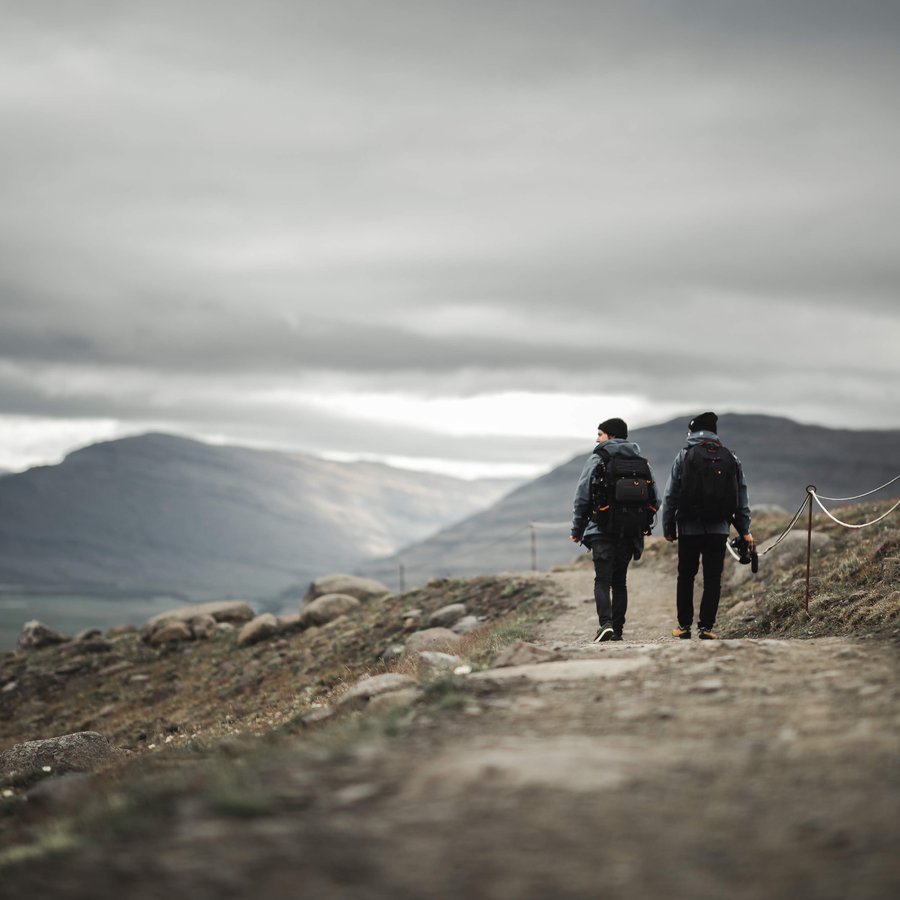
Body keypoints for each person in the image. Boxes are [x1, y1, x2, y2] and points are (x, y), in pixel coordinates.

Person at [662, 411, 754, 640]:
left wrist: (668, 527)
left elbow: (671, 494)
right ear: (714, 433)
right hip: (718, 528)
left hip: (689, 527)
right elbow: (741, 497)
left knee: (686, 576)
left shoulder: (684, 456)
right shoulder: (730, 457)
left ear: (692, 431)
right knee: (713, 577)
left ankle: (684, 626)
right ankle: (707, 627)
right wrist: (745, 531)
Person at [571, 417, 658, 643]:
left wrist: (577, 529)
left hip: (601, 529)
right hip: (630, 532)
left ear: (610, 435)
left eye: (599, 434)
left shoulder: (597, 458)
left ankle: (605, 624)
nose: (597, 438)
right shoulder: (641, 461)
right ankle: (617, 630)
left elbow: (582, 496)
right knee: (620, 581)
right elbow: (655, 498)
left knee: (602, 580)